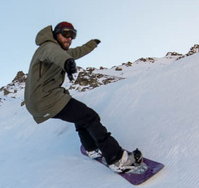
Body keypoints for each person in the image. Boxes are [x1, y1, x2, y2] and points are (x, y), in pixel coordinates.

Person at [24, 21, 142, 172]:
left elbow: (77, 51)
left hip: (43, 98)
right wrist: (67, 62)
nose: (69, 38)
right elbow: (55, 54)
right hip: (45, 99)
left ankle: (92, 149)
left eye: (73, 35)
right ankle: (117, 159)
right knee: (90, 117)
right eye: (66, 34)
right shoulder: (48, 46)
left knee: (81, 117)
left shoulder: (59, 49)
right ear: (55, 34)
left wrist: (92, 44)